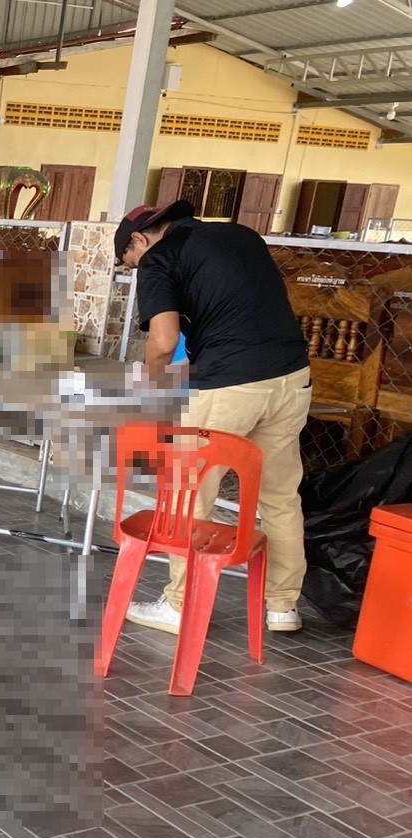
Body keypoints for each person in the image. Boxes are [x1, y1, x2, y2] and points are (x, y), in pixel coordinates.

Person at [116, 199, 313, 635]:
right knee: (280, 496)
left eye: (129, 263)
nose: (135, 270)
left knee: (187, 494)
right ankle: (283, 606)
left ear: (139, 240)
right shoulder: (241, 235)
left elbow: (164, 342)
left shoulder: (159, 258)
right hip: (292, 377)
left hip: (228, 385)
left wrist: (151, 390)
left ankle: (178, 605)